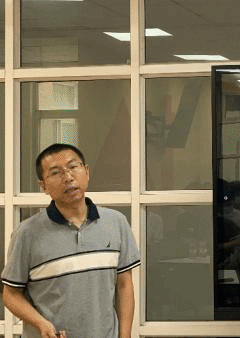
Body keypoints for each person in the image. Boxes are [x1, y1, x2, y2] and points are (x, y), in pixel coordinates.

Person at [1, 143, 140, 338]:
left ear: (87, 172)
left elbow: (124, 285)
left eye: (73, 167)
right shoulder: (27, 233)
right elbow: (10, 294)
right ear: (43, 186)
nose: (68, 177)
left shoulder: (116, 222)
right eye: (55, 173)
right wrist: (41, 324)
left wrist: (125, 335)